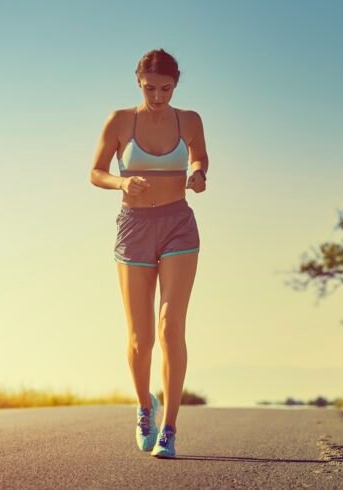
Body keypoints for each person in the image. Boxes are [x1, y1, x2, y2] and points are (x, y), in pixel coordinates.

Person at [89, 48, 208, 459]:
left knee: (170, 326)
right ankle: (145, 407)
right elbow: (96, 172)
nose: (158, 96)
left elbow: (199, 155)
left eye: (166, 88)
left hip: (178, 226)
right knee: (140, 338)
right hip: (134, 229)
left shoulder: (189, 120)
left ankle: (170, 428)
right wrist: (121, 184)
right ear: (138, 83)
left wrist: (197, 173)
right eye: (150, 88)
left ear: (176, 84)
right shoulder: (121, 121)